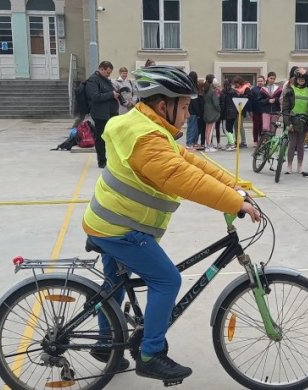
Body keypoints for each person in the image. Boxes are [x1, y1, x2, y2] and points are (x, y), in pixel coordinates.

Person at [83, 65, 260, 382]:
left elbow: (191, 161)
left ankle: (106, 343)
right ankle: (151, 354)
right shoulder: (147, 140)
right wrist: (235, 203)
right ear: (164, 105)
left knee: (114, 285)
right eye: (185, 104)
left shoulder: (146, 127)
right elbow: (184, 179)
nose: (189, 112)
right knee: (166, 281)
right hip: (120, 228)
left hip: (109, 220)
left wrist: (236, 185)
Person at [86, 60, 120, 168]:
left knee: (113, 137)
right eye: (107, 72)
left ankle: (112, 159)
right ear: (101, 69)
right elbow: (95, 96)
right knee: (101, 138)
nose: (109, 75)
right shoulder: (93, 80)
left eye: (110, 73)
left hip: (111, 113)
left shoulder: (105, 80)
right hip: (101, 115)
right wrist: (111, 94)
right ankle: (102, 161)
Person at [282, 72, 308, 173]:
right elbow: (285, 109)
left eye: (303, 79)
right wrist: (288, 123)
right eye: (299, 79)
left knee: (301, 144)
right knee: (292, 144)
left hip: (304, 121)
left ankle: (300, 166)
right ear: (296, 79)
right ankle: (289, 166)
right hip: (292, 121)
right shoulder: (290, 91)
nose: (301, 80)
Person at [203, 74, 221, 152]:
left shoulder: (205, 90)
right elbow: (216, 103)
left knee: (207, 129)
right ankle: (209, 146)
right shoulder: (212, 91)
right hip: (212, 112)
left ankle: (207, 145)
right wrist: (219, 109)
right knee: (210, 130)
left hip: (206, 111)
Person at [186, 71, 200, 150]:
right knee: (192, 127)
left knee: (194, 127)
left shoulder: (188, 86)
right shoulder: (193, 88)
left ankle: (194, 142)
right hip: (192, 111)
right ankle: (189, 143)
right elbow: (194, 102)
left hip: (189, 110)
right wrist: (198, 112)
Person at [250, 75, 265, 144]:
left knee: (263, 127)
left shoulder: (266, 89)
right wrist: (250, 111)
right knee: (255, 126)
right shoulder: (253, 89)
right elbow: (250, 100)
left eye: (261, 81)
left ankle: (262, 140)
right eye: (258, 81)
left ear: (264, 81)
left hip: (264, 111)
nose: (260, 82)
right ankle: (255, 141)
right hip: (255, 111)